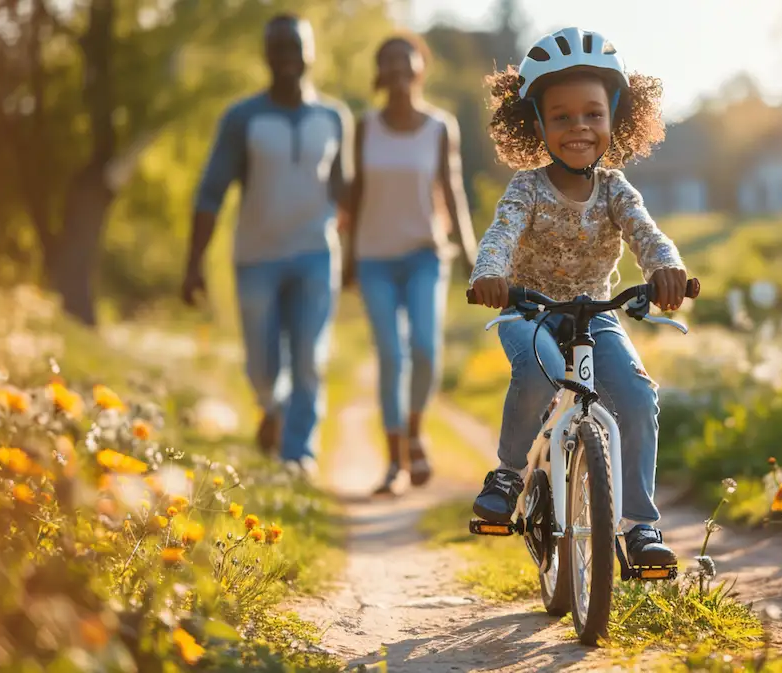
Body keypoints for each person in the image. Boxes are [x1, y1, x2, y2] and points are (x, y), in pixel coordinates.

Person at [466, 28, 688, 568]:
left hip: (596, 315)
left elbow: (647, 234)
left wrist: (667, 269)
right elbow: (501, 235)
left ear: (615, 117)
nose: (578, 128)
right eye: (561, 117)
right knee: (540, 369)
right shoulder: (527, 188)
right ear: (537, 125)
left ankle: (639, 525)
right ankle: (510, 473)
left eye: (592, 113)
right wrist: (489, 274)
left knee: (637, 397)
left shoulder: (615, 189)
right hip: (529, 311)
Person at [184, 13, 352, 476]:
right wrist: (193, 263)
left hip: (316, 256)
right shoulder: (243, 118)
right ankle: (272, 410)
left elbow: (344, 193)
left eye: (295, 48)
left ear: (310, 53)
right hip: (255, 257)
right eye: (277, 49)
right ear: (266, 56)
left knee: (309, 359)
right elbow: (210, 192)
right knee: (262, 368)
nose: (287, 58)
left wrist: (353, 256)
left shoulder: (334, 117)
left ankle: (298, 455)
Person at [341, 34, 477, 496]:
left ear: (421, 67)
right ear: (380, 72)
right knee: (391, 357)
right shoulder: (365, 127)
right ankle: (395, 460)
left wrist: (474, 253)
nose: (398, 68)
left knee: (423, 349)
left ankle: (415, 430)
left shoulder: (440, 126)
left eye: (406, 60)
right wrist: (347, 259)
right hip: (374, 256)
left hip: (425, 253)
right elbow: (355, 194)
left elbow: (452, 190)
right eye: (389, 62)